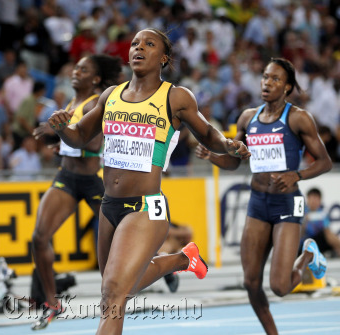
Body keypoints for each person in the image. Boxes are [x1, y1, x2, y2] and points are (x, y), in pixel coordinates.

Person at [47, 28, 250, 334]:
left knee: (114, 295)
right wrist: (63, 128)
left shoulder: (176, 96)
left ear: (164, 58)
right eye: (134, 44)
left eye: (149, 44)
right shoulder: (110, 95)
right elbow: (79, 138)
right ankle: (181, 260)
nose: (138, 48)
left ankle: (180, 260)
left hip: (145, 208)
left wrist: (228, 144)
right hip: (109, 205)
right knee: (114, 292)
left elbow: (208, 133)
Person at [195, 58, 332, 335]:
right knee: (250, 281)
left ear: (288, 87)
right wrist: (212, 155)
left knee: (280, 287)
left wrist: (298, 175)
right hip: (258, 202)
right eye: (265, 77)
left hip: (287, 202)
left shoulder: (298, 118)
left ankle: (307, 256)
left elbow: (325, 162)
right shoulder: (247, 118)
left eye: (275, 79)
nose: (267, 83)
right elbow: (236, 162)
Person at [30, 54, 122, 330]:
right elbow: (75, 138)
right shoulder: (72, 103)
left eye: (83, 69)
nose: (75, 71)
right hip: (67, 178)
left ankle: (161, 267)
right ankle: (51, 303)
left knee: (123, 236)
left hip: (92, 180)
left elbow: (94, 143)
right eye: (75, 67)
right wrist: (64, 142)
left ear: (95, 78)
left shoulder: (95, 102)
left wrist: (63, 133)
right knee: (39, 236)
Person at [301, 188, 340, 257]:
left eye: (316, 199)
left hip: (321, 241)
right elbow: (300, 234)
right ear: (308, 199)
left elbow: (328, 232)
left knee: (329, 234)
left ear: (320, 200)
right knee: (326, 235)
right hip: (306, 242)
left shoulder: (322, 214)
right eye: (312, 198)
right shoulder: (303, 212)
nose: (313, 201)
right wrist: (305, 221)